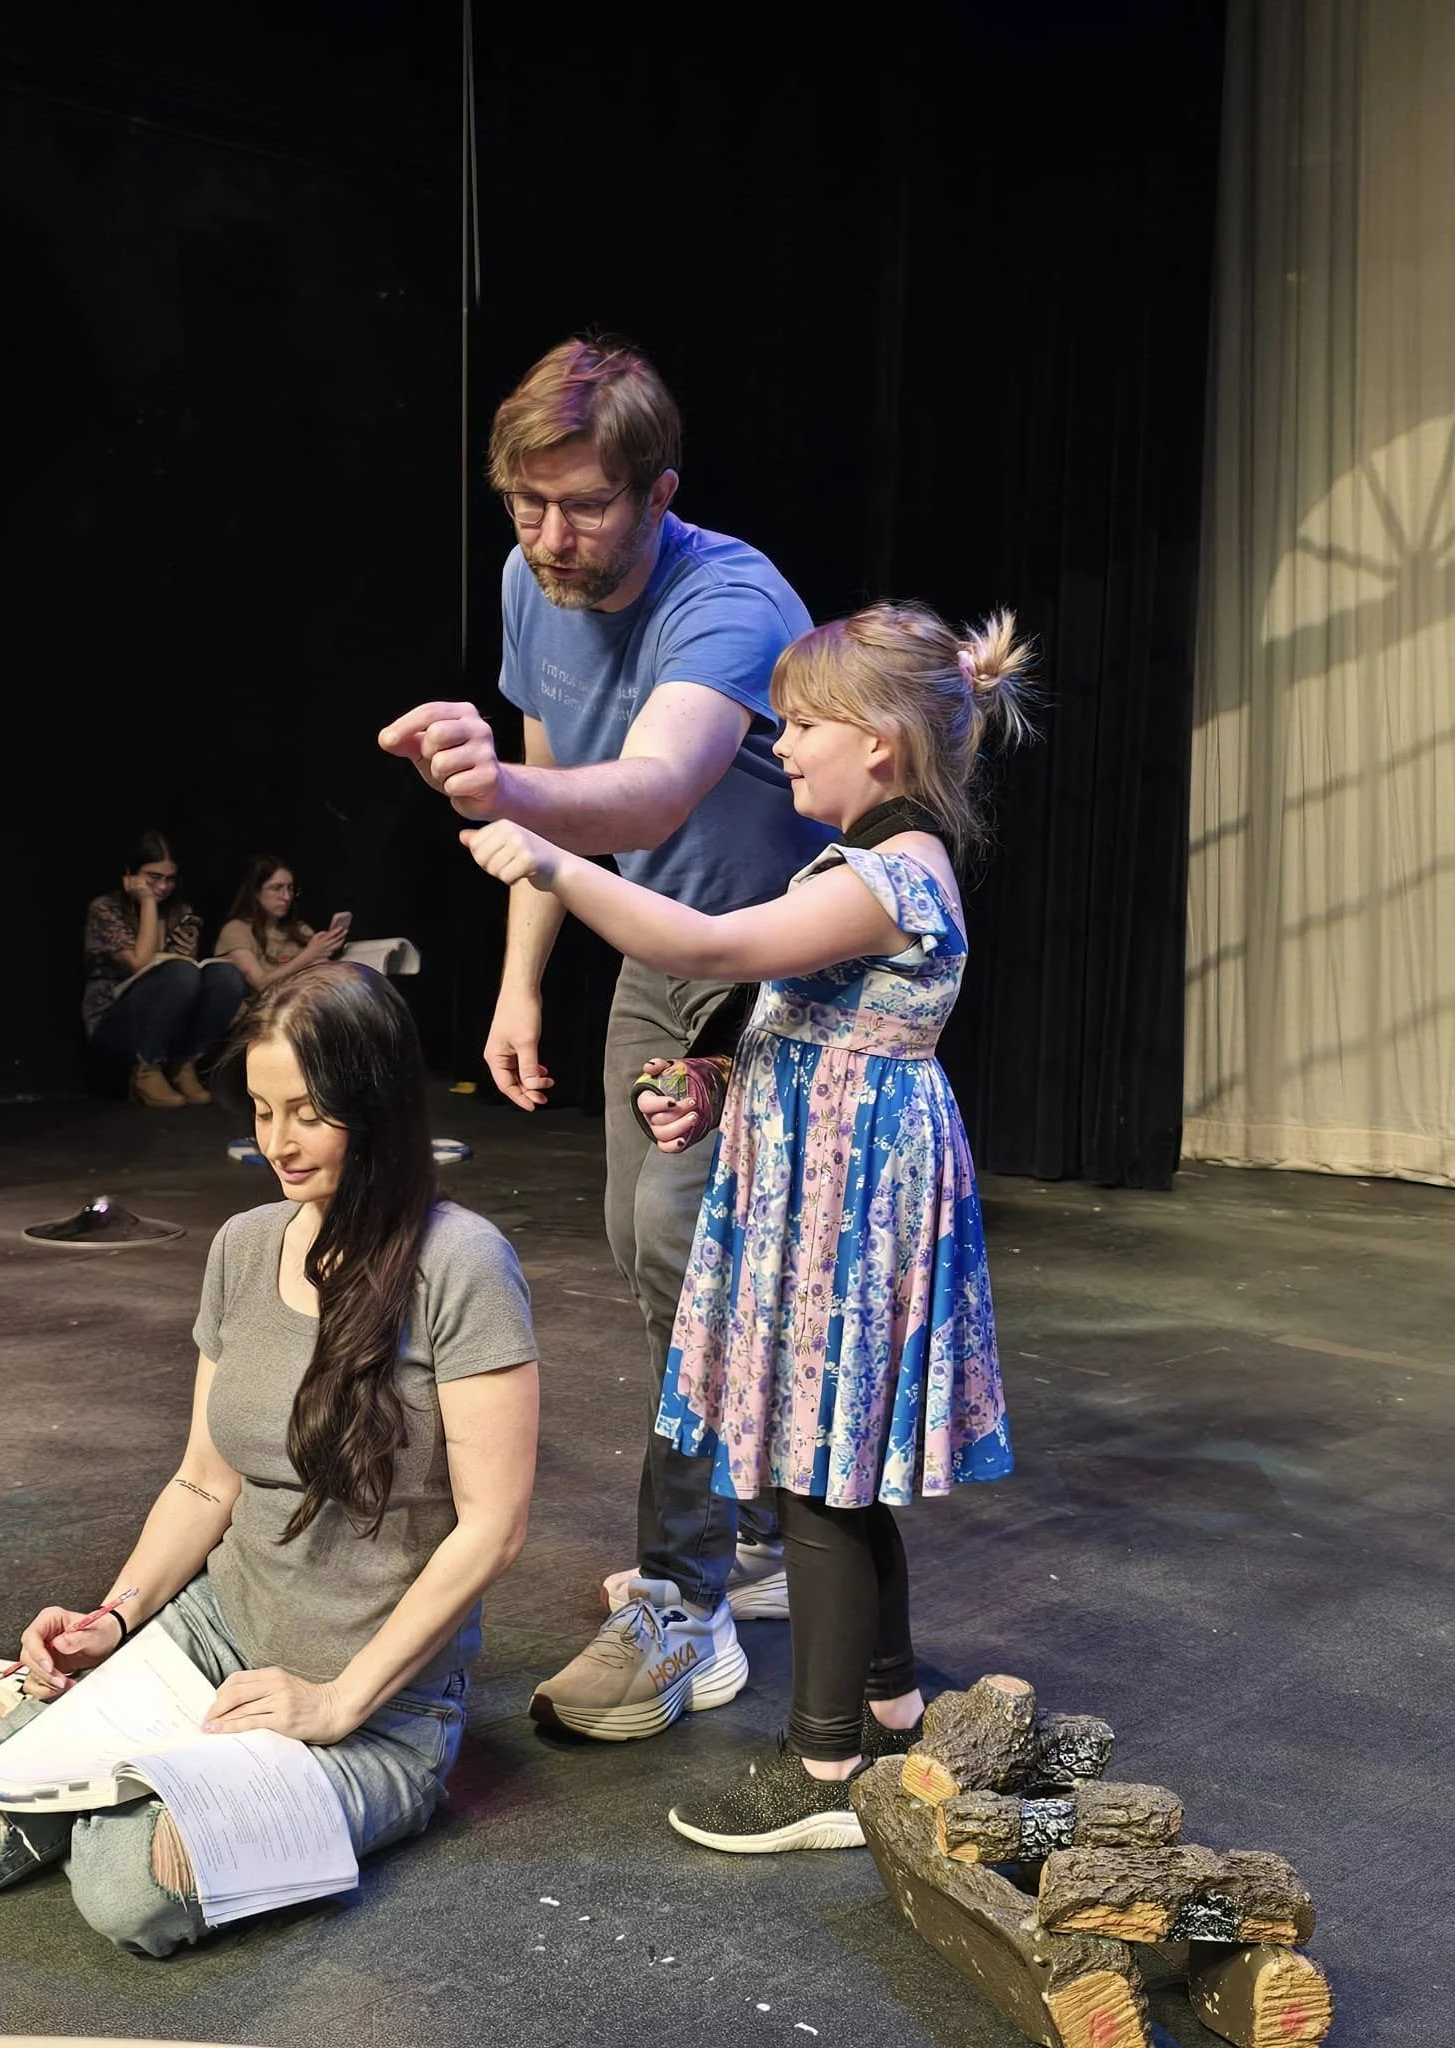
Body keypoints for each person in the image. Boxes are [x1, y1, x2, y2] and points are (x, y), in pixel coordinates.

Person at [464, 601, 1026, 1851]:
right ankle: (889, 1702)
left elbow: (713, 942)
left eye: (808, 725)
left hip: (844, 1201)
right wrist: (717, 1084)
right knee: (836, 1470)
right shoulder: (871, 867)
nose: (784, 747)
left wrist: (558, 860)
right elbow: (821, 1024)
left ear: (881, 743)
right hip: (826, 1174)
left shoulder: (888, 874)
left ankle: (822, 1768)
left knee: (819, 1481)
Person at [380, 337, 833, 1740]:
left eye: (582, 507)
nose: (550, 538)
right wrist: (522, 983)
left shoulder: (732, 595)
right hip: (654, 963)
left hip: (780, 978)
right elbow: (556, 787)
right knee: (652, 1250)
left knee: (693, 1254)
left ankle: (693, 1599)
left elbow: (641, 793)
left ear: (658, 493)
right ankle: (750, 1532)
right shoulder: (533, 582)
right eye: (526, 504)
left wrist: (487, 787)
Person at [0, 963, 539, 1951]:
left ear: (374, 1102)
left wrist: (336, 1698)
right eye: (260, 1109)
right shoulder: (246, 1246)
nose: (277, 1141)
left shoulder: (461, 1261)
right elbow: (204, 1476)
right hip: (215, 1633)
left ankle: (14, 1720)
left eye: (305, 1110)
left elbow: (493, 1525)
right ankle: (8, 1704)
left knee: (130, 1885)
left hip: (379, 1701)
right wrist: (115, 1617)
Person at [82, 830, 246, 1108]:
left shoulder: (180, 912)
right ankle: (146, 1069)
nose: (162, 887)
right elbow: (140, 964)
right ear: (130, 875)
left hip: (167, 1023)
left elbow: (188, 980)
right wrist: (147, 903)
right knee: (179, 973)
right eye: (153, 878)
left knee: (225, 976)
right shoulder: (106, 909)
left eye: (169, 879)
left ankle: (184, 1064)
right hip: (115, 1023)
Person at [213, 853, 349, 991]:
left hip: (309, 998)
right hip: (267, 1007)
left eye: (290, 888)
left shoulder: (299, 929)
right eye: (277, 888)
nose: (286, 897)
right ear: (256, 892)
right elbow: (261, 983)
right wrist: (308, 955)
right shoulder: (237, 930)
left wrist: (327, 948)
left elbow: (321, 970)